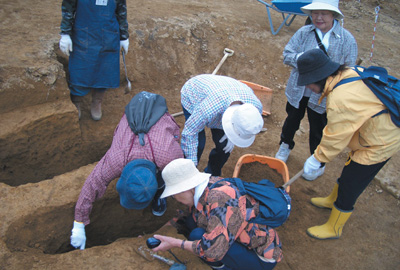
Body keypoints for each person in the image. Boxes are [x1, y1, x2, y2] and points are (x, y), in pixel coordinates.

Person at [297, 49, 400, 240]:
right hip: (369, 135)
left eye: (308, 82)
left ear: (319, 77)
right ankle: (332, 200)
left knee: (352, 183)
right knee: (348, 171)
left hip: (379, 143)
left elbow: (335, 136)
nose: (308, 87)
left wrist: (317, 158)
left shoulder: (341, 99)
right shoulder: (345, 74)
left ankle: (334, 227)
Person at [70, 91, 184, 250]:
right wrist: (79, 222)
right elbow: (92, 184)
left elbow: (177, 142)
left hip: (159, 117)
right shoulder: (116, 159)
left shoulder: (169, 157)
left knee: (163, 179)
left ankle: (159, 194)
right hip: (134, 113)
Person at [275, 0, 358, 181]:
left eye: (324, 13)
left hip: (324, 95)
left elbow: (350, 71)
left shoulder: (346, 39)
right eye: (315, 13)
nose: (318, 17)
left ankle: (317, 161)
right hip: (299, 87)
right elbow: (287, 55)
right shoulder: (304, 32)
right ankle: (285, 145)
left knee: (318, 128)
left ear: (334, 15)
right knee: (292, 120)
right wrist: (304, 60)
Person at [152, 158, 283, 270]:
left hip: (260, 254)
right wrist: (162, 228)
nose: (176, 199)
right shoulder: (210, 185)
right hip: (245, 236)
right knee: (192, 222)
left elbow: (212, 251)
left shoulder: (221, 200)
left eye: (174, 194)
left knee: (198, 236)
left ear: (187, 189)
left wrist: (175, 243)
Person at [180, 74, 264, 177]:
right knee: (198, 144)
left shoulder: (255, 108)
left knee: (224, 147)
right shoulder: (208, 109)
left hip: (226, 91)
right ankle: (188, 173)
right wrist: (191, 166)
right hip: (194, 95)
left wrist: (232, 135)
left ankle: (212, 174)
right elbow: (190, 132)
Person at [59, 0, 130, 121]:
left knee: (104, 69)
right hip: (83, 34)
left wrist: (124, 36)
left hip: (108, 34)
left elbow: (121, 11)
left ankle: (97, 101)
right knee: (80, 68)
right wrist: (65, 33)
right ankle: (77, 101)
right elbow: (68, 8)